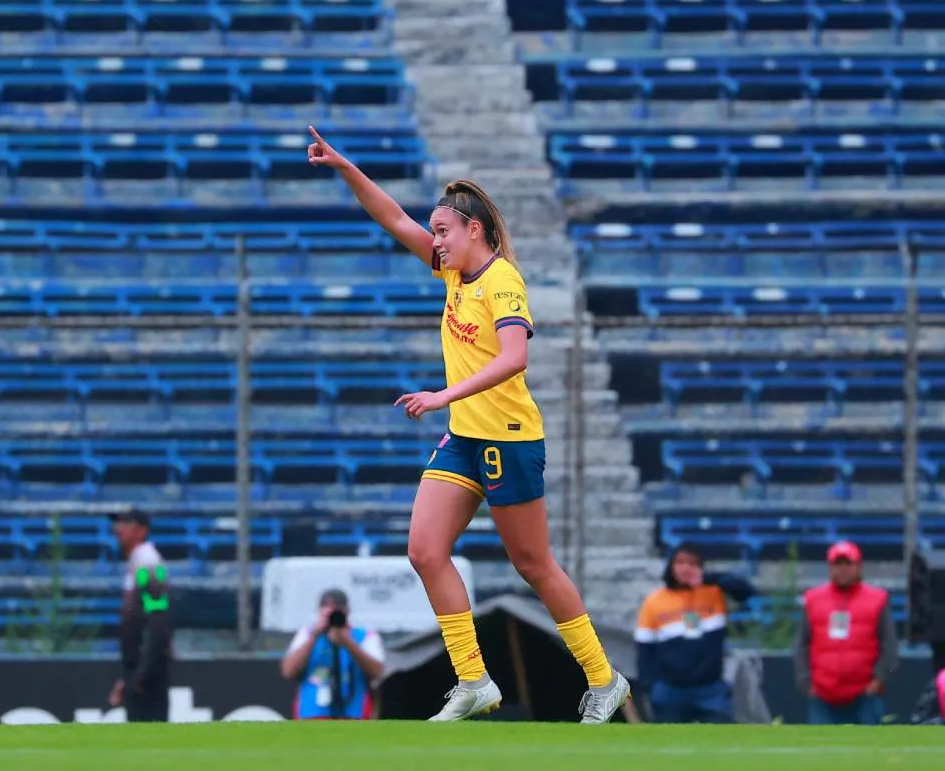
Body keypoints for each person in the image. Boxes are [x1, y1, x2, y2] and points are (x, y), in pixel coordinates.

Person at [307, 126, 629, 723]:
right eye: (434, 232)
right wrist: (345, 166)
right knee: (426, 550)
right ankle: (474, 679)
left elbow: (515, 358)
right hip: (464, 436)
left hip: (509, 439)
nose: (434, 240)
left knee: (533, 564)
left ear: (472, 230)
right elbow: (392, 219)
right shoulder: (454, 271)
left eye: (443, 231)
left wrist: (441, 395)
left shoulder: (501, 280)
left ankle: (604, 678)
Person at [635, 543, 756, 723]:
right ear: (671, 566)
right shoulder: (654, 601)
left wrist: (708, 578)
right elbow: (644, 649)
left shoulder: (713, 592)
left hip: (710, 689)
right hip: (671, 689)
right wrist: (651, 687)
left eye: (693, 563)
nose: (686, 568)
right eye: (681, 562)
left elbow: (746, 591)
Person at [794, 540, 897, 725]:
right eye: (837, 564)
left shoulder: (878, 599)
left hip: (865, 695)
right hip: (823, 694)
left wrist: (880, 680)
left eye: (848, 564)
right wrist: (806, 682)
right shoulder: (813, 599)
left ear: (859, 567)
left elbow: (890, 646)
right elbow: (801, 644)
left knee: (870, 750)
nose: (842, 569)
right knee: (820, 750)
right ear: (829, 567)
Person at [107, 509, 173, 723]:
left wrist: (143, 674)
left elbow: (158, 621)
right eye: (118, 524)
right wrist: (128, 675)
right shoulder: (136, 562)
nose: (118, 529)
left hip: (148, 673)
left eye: (126, 524)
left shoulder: (148, 562)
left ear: (142, 530)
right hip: (140, 669)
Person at [281, 589, 385, 720]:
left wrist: (347, 642)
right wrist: (315, 635)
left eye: (337, 607)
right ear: (319, 610)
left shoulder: (365, 636)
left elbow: (378, 672)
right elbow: (288, 671)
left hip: (354, 713)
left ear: (347, 611)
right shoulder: (307, 634)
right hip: (313, 714)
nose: (331, 613)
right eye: (326, 606)